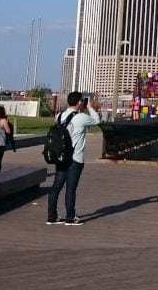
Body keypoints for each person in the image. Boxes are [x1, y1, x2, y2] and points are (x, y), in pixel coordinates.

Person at [46, 91, 101, 226]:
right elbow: (97, 120)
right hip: (75, 157)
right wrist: (89, 107)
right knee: (71, 188)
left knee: (56, 186)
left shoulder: (59, 116)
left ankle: (52, 216)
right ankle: (70, 217)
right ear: (79, 102)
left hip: (60, 156)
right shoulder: (81, 117)